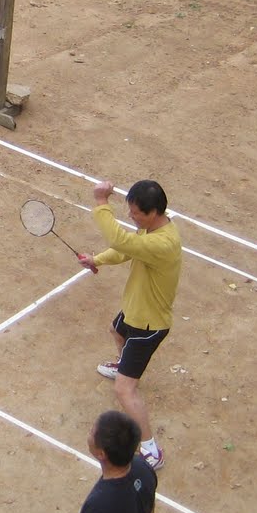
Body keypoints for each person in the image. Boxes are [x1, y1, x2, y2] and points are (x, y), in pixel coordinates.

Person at [77, 179, 180, 469]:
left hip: (148, 326)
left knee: (124, 390)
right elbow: (127, 250)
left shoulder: (163, 242)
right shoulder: (150, 230)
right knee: (114, 330)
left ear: (153, 212)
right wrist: (96, 259)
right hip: (135, 309)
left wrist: (101, 203)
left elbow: (122, 242)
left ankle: (150, 449)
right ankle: (123, 364)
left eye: (135, 213)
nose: (131, 216)